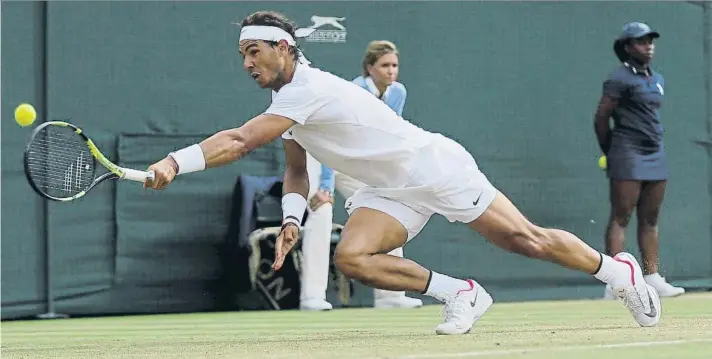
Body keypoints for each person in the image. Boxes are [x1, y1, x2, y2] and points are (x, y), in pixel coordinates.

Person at [145, 11, 661, 335]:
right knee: (353, 258)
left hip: (432, 167)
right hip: (387, 188)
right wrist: (292, 220)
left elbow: (237, 141)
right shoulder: (287, 102)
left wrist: (175, 161)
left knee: (524, 240)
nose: (246, 63)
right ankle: (459, 293)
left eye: (253, 52)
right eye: (241, 55)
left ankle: (619, 273)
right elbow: (297, 171)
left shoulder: (308, 88)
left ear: (283, 48)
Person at [299, 40, 423, 310]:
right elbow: (332, 139)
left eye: (394, 65)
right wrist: (325, 187)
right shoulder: (354, 91)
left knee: (386, 211)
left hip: (354, 160)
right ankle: (311, 297)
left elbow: (390, 136)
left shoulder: (397, 92)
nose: (391, 71)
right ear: (370, 68)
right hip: (322, 158)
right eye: (385, 65)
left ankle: (391, 296)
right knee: (321, 213)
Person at [593, 22, 684, 299]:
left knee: (651, 218)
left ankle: (652, 276)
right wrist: (612, 151)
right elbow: (600, 119)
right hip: (626, 154)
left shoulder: (657, 79)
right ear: (627, 47)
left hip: (655, 154)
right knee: (621, 217)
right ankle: (616, 282)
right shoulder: (619, 79)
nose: (649, 46)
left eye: (650, 41)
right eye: (642, 42)